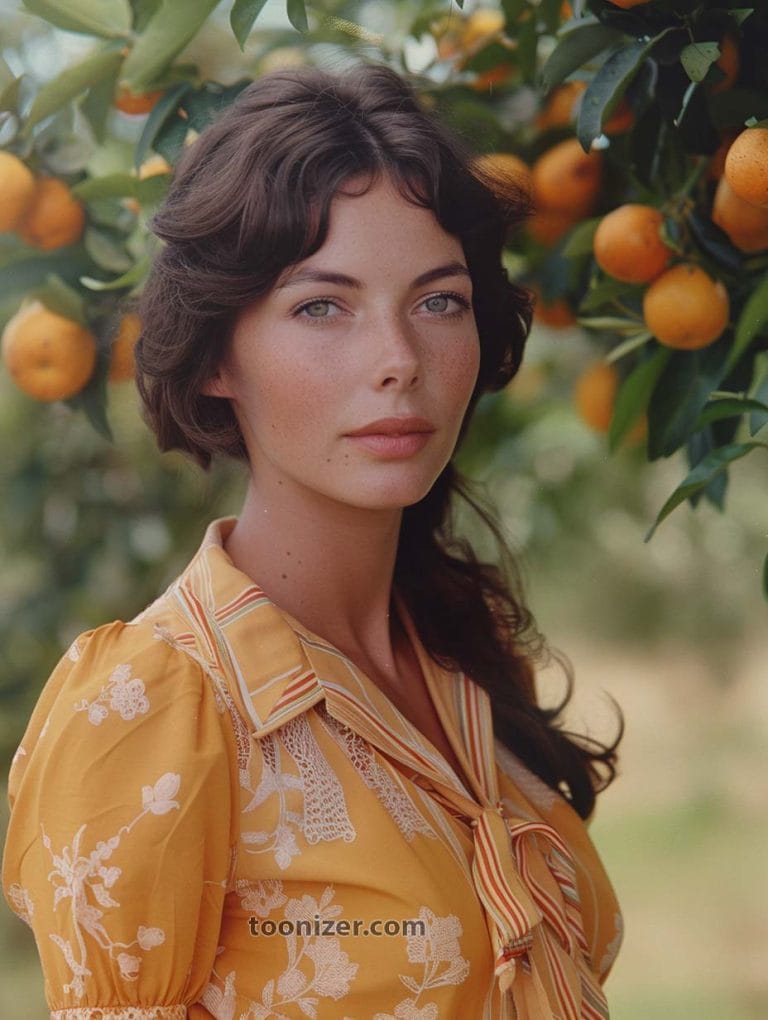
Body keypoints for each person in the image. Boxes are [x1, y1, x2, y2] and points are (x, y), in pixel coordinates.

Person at [2, 61, 624, 1019]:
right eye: (321, 305)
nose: (398, 361)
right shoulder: (155, 710)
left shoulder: (465, 659)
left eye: (438, 300)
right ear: (216, 357)